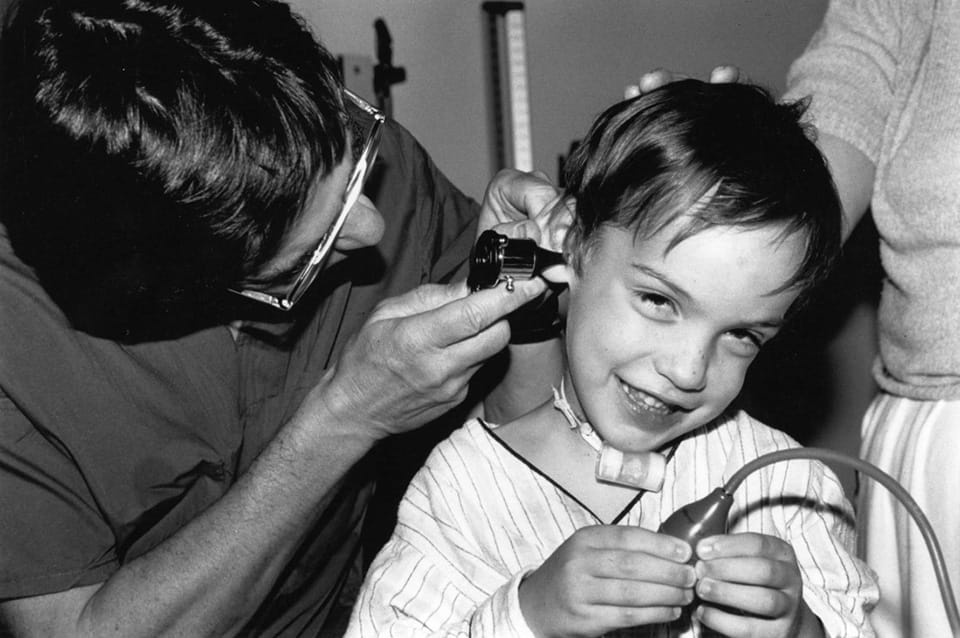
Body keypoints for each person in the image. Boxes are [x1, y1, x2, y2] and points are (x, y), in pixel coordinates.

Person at [0, 0, 560, 635]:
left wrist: (506, 278)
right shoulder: (17, 346)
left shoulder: (355, 164)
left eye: (356, 160)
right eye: (312, 250)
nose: (371, 225)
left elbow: (522, 430)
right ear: (177, 289)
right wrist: (342, 421)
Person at [346, 80, 879, 638]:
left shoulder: (787, 487)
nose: (689, 369)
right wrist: (525, 618)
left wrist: (799, 631)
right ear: (569, 242)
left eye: (742, 334)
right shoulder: (462, 493)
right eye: (658, 300)